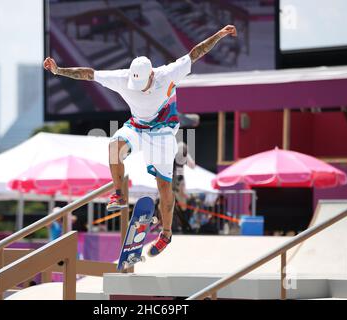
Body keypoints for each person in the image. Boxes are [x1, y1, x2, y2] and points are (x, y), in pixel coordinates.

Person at [44, 25, 237, 257]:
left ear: (152, 75)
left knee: (164, 184)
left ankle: (165, 234)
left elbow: (196, 52)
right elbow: (88, 73)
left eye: (143, 84)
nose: (139, 89)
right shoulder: (123, 78)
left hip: (164, 130)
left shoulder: (167, 73)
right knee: (114, 146)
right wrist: (58, 71)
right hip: (137, 126)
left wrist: (221, 34)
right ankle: (119, 193)